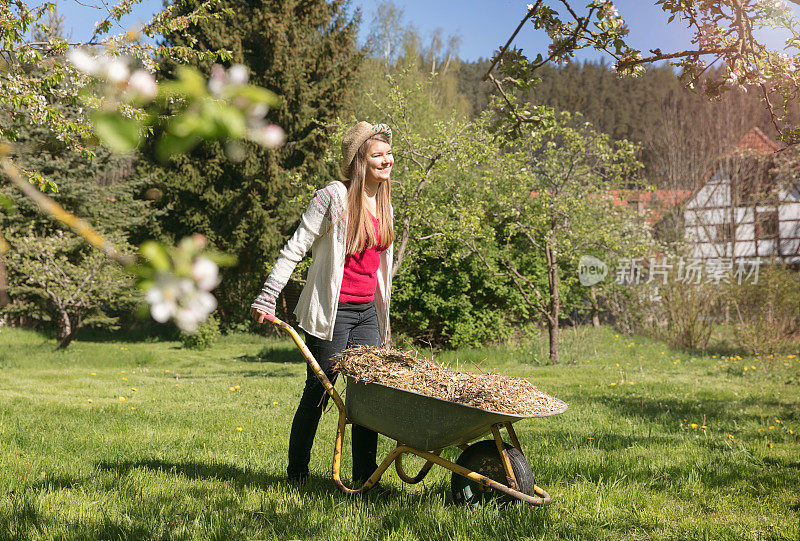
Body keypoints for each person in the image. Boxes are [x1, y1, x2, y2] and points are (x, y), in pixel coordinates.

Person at [250, 121, 394, 486]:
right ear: (359, 161)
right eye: (377, 155)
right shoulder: (333, 197)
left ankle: (365, 478)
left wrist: (383, 321)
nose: (387, 160)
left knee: (368, 397)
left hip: (367, 314)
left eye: (389, 154)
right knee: (319, 393)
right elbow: (295, 247)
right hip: (333, 315)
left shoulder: (384, 201)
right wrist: (268, 296)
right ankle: (296, 475)